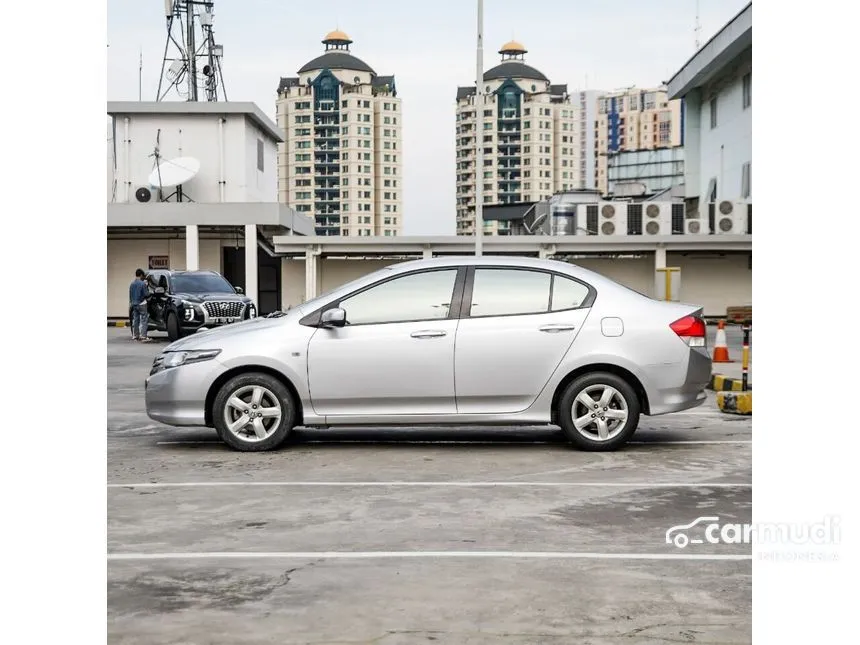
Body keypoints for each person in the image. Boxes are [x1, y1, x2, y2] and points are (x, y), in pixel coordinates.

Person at [129, 268, 152, 342]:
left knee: (136, 320)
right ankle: (143, 336)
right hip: (141, 303)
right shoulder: (142, 284)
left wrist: (132, 302)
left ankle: (135, 336)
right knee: (144, 319)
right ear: (141, 275)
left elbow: (130, 295)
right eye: (143, 276)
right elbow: (146, 294)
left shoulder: (132, 284)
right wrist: (150, 293)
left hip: (134, 304)